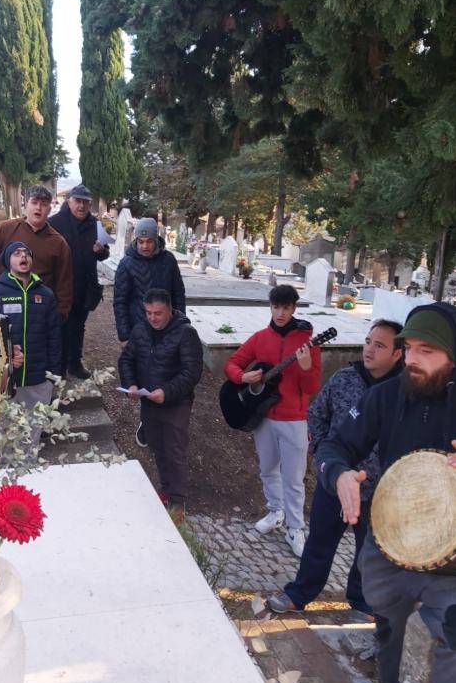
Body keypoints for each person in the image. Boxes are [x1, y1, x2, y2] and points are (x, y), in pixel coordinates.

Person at [317, 303, 456, 683]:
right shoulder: (385, 396)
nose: (412, 359)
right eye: (409, 348)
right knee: (390, 633)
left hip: (452, 563)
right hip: (390, 545)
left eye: (428, 351)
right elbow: (336, 443)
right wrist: (338, 473)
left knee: (453, 637)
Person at [268, 320, 403, 615]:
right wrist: (323, 453)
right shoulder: (345, 378)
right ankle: (300, 593)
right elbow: (317, 413)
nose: (369, 349)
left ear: (398, 354)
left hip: (379, 492)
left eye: (380, 345)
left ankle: (362, 603)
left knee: (368, 553)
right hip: (335, 484)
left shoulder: (405, 392)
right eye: (368, 341)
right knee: (319, 542)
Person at [224, 285, 322, 557]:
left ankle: (295, 527)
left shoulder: (307, 343)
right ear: (270, 307)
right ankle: (275, 511)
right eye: (276, 307)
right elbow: (232, 363)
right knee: (268, 469)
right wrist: (242, 377)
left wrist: (304, 368)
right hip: (264, 416)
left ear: (294, 309)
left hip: (293, 419)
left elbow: (312, 386)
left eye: (286, 308)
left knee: (293, 477)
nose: (280, 313)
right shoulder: (260, 338)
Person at [118, 288, 203, 524]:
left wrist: (167, 392)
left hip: (175, 403)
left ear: (169, 310)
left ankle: (177, 502)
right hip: (149, 401)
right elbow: (127, 359)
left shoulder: (186, 334)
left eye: (158, 313)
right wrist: (131, 384)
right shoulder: (141, 330)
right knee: (157, 447)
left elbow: (192, 372)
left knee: (175, 450)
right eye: (148, 313)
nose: (153, 318)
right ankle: (165, 489)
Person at [113, 216, 186, 446]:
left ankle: (165, 417)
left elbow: (178, 293)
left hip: (168, 326)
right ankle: (148, 421)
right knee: (145, 373)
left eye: (149, 241)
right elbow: (120, 301)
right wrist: (125, 335)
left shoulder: (168, 261)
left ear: (156, 240)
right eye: (141, 241)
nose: (145, 245)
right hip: (140, 329)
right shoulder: (126, 264)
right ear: (135, 240)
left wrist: (181, 323)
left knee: (166, 370)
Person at [0, 242, 60, 444]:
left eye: (27, 253)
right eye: (16, 253)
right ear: (8, 260)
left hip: (37, 379)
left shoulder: (46, 295)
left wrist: (53, 377)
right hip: (6, 381)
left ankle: (28, 469)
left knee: (31, 434)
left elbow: (54, 336)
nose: (23, 256)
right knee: (3, 434)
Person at [0, 185, 72, 320]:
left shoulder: (58, 243)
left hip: (39, 316)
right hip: (2, 311)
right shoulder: (3, 230)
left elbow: (64, 285)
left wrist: (59, 317)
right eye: (34, 202)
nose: (38, 208)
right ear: (26, 204)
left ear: (49, 209)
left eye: (44, 204)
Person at [49, 184, 109, 379]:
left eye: (85, 202)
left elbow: (104, 253)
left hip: (85, 285)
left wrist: (101, 251)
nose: (81, 206)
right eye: (78, 201)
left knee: (78, 326)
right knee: (60, 326)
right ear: (69, 201)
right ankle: (59, 366)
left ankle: (74, 363)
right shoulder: (55, 223)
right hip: (61, 286)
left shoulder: (95, 224)